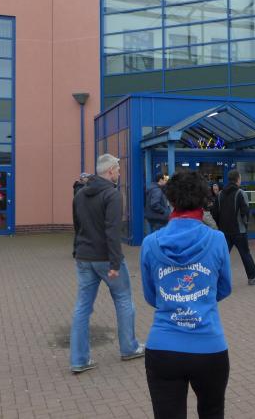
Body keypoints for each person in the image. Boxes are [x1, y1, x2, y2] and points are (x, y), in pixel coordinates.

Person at [140, 169, 232, 419]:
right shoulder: (217, 239)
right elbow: (225, 287)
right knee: (212, 412)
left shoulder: (150, 243)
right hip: (209, 346)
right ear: (203, 200)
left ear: (170, 200)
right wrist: (200, 299)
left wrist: (174, 300)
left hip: (163, 347)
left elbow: (151, 295)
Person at [70, 154, 144, 374]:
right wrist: (114, 263)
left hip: (84, 258)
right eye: (118, 170)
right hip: (105, 259)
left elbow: (78, 226)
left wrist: (76, 251)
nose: (120, 173)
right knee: (123, 299)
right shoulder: (112, 195)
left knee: (82, 307)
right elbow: (112, 231)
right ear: (111, 171)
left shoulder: (80, 194)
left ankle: (79, 359)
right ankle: (129, 347)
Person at [213, 170, 255, 285]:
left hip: (224, 231)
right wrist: (245, 224)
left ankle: (213, 277)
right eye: (240, 178)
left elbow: (215, 213)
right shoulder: (240, 193)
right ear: (237, 179)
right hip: (239, 231)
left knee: (222, 256)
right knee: (245, 253)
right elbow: (245, 211)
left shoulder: (220, 194)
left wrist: (220, 226)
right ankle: (252, 276)